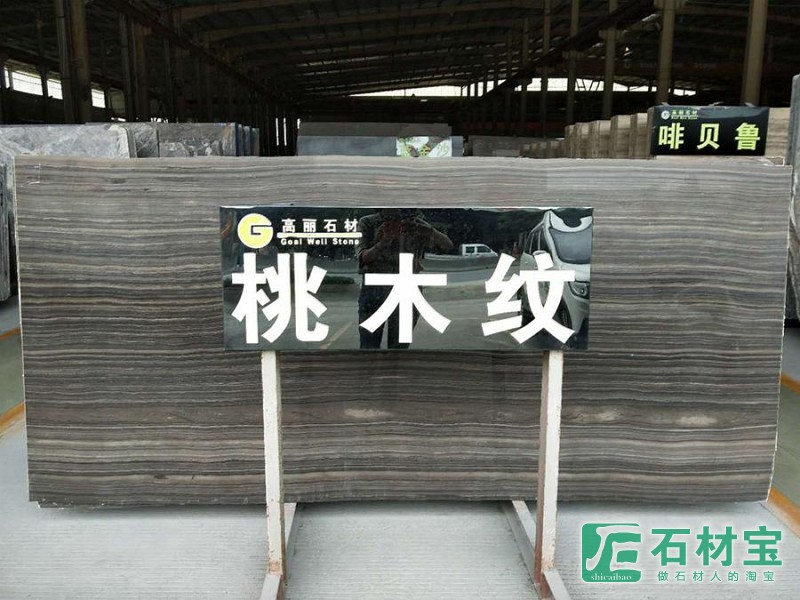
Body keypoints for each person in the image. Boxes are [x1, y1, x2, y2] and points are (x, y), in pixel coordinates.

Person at [357, 209, 453, 349]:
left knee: (398, 348)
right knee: (369, 346)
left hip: (405, 288)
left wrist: (427, 231)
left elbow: (447, 246)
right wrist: (383, 242)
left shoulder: (416, 224)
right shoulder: (369, 222)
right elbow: (363, 258)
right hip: (376, 287)